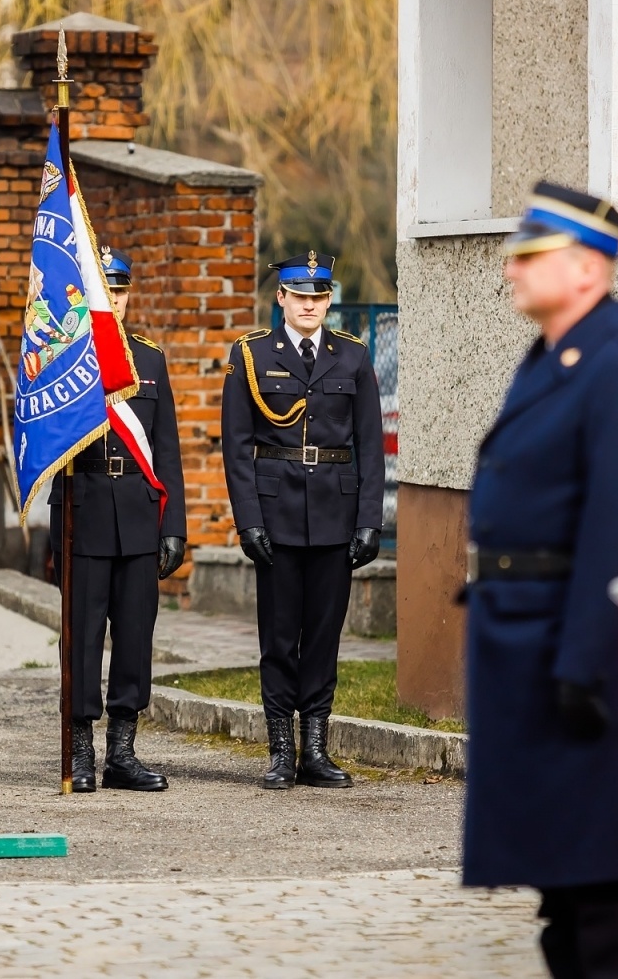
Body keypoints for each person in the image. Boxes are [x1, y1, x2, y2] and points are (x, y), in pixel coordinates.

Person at [461, 181, 618, 979]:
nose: (511, 269)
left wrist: (584, 661)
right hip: (521, 638)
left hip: (566, 648)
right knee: (560, 878)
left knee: (595, 885)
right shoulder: (554, 357)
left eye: (530, 254)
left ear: (588, 269)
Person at [220, 251, 385, 790]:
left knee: (322, 636)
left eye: (319, 296)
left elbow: (370, 446)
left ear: (328, 300)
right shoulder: (252, 355)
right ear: (281, 299)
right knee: (278, 635)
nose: (309, 305)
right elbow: (237, 446)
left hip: (336, 515)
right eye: (300, 296)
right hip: (276, 512)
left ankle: (315, 749)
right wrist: (249, 521)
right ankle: (280, 749)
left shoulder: (353, 357)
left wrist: (369, 520)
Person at [49, 247, 188, 793]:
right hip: (83, 513)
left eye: (121, 290)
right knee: (82, 639)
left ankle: (122, 753)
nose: (115, 300)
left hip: (136, 513)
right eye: (105, 290)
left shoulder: (148, 361)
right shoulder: (63, 359)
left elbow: (168, 450)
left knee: (134, 636)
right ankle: (80, 750)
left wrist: (173, 524)